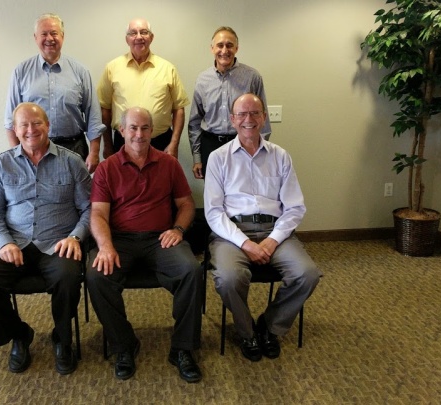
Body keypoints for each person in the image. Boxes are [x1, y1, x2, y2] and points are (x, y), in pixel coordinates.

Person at [0, 102, 91, 375]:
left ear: (48, 126)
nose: (30, 130)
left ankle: (62, 338)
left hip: (58, 243)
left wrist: (75, 237)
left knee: (68, 279)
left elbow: (89, 207)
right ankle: (19, 334)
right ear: (15, 129)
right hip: (16, 243)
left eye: (36, 123)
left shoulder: (71, 162)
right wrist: (5, 242)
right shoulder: (2, 164)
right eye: (23, 124)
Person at [86, 107, 203, 383]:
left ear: (153, 131)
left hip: (160, 238)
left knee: (191, 271)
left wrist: (177, 228)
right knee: (96, 276)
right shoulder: (107, 168)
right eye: (133, 128)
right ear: (122, 131)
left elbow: (186, 205)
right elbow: (98, 214)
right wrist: (105, 246)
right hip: (119, 241)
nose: (139, 134)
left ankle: (182, 348)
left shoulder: (169, 164)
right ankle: (124, 345)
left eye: (145, 128)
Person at [204, 93, 321, 362]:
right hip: (232, 233)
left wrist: (272, 240)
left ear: (264, 117)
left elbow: (294, 207)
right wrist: (245, 243)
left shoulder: (281, 156)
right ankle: (247, 333)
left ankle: (269, 326)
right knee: (229, 278)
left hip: (275, 232)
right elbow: (213, 212)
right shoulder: (218, 158)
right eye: (242, 114)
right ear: (232, 120)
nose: (249, 120)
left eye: (255, 113)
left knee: (308, 274)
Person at [4, 13, 106, 173]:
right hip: (34, 150)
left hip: (74, 148)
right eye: (44, 34)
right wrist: (18, 156)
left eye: (54, 33)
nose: (49, 38)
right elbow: (10, 121)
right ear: (35, 37)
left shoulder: (80, 72)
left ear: (62, 36)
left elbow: (93, 116)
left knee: (76, 196)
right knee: (40, 196)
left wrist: (94, 153)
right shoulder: (21, 72)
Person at [97, 18, 189, 159]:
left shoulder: (168, 69)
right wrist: (108, 145)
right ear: (127, 39)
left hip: (160, 143)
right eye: (133, 33)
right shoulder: (112, 68)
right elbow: (105, 109)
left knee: (160, 181)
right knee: (125, 181)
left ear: (151, 37)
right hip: (123, 144)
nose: (139, 37)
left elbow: (179, 109)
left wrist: (174, 144)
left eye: (144, 32)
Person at [188, 26, 271, 179]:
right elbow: (194, 122)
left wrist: (260, 152)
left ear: (237, 48)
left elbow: (263, 119)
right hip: (211, 145)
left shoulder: (252, 77)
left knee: (245, 193)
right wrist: (197, 157)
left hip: (244, 143)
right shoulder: (202, 80)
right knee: (214, 195)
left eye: (229, 45)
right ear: (212, 48)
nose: (224, 50)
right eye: (220, 45)